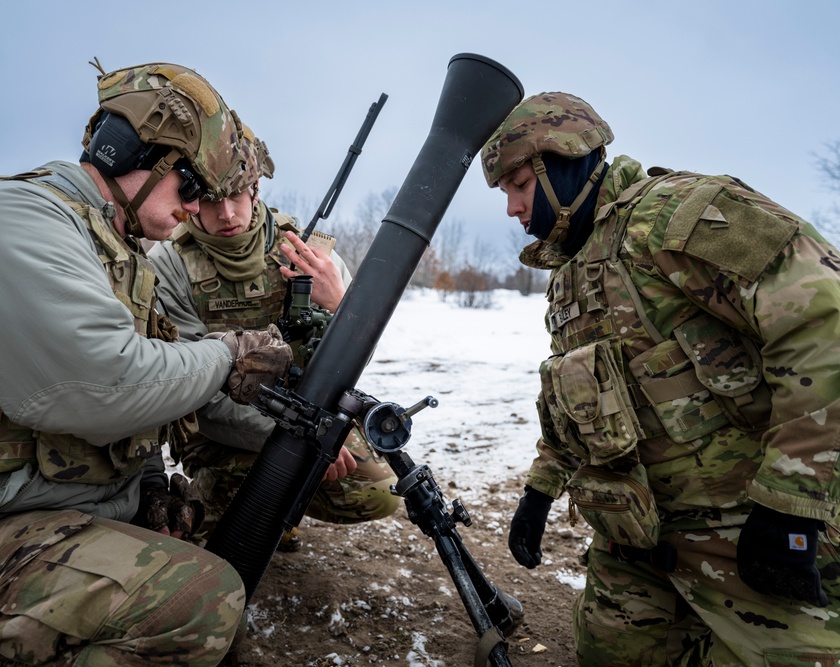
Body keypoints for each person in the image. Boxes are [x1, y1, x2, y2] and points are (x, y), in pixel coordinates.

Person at [0, 62, 294, 667]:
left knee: (219, 611)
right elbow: (101, 388)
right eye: (191, 186)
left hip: (22, 510)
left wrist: (147, 488)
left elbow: (135, 402)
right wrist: (226, 354)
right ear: (139, 156)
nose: (199, 207)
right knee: (199, 604)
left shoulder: (113, 248)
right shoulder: (10, 221)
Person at [481, 92, 840, 665]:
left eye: (518, 186)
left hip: (745, 520)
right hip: (640, 530)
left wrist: (789, 504)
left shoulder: (676, 214)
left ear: (563, 163)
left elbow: (825, 324)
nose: (512, 209)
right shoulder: (577, 269)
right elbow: (579, 397)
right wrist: (540, 489)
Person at [148, 124, 400, 548]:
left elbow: (355, 360)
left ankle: (281, 509)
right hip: (220, 431)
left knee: (377, 492)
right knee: (225, 531)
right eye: (210, 199)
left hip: (308, 412)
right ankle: (234, 501)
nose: (226, 214)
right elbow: (193, 394)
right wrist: (299, 436)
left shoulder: (306, 249)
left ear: (256, 190)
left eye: (236, 196)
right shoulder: (170, 265)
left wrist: (342, 307)